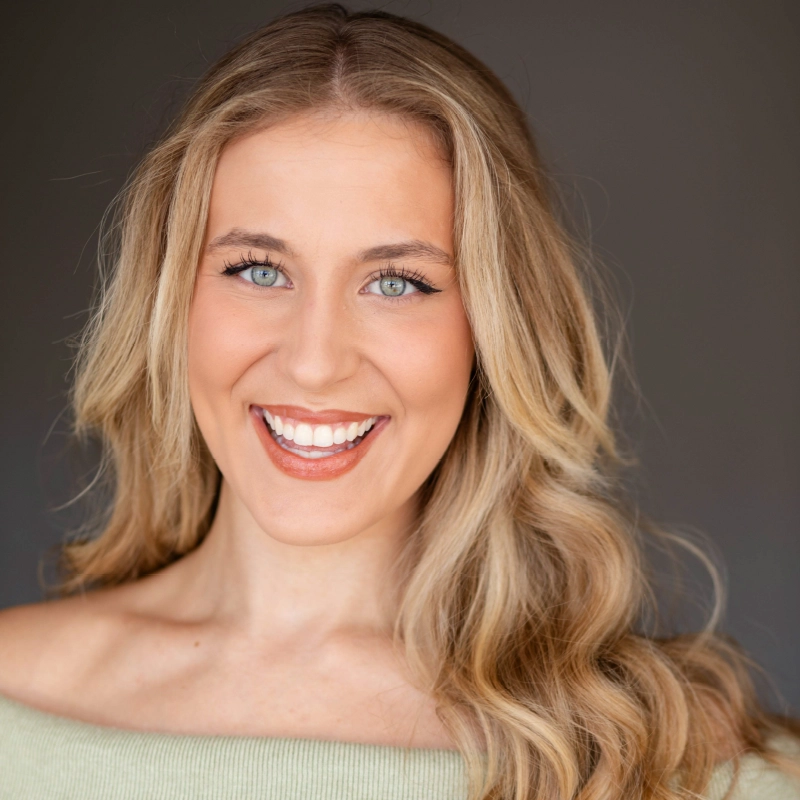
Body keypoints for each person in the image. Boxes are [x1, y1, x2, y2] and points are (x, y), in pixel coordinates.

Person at [0, 4, 797, 799]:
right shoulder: (15, 696)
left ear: (492, 327)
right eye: (258, 269)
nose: (314, 364)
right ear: (171, 295)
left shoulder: (666, 760)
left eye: (396, 283)